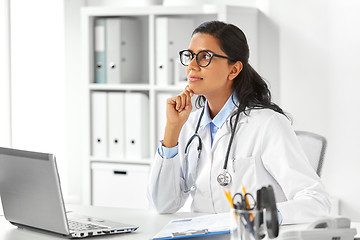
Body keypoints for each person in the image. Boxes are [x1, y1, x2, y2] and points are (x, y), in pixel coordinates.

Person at [147, 20, 330, 224]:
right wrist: (172, 130)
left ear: (233, 70)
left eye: (205, 57)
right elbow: (163, 205)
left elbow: (316, 202)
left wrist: (257, 217)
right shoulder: (189, 124)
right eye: (190, 56)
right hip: (201, 235)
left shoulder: (267, 124)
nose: (191, 65)